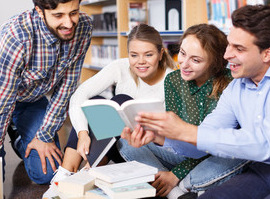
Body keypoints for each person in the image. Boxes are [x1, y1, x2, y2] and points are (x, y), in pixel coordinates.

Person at [134, 5, 270, 199]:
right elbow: (205, 139)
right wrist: (160, 136)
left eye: (238, 48)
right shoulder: (237, 87)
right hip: (263, 169)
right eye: (229, 44)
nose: (227, 54)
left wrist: (186, 130)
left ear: (267, 53)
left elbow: (264, 142)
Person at [118, 24, 248, 199]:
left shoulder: (231, 84)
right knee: (126, 143)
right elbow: (175, 139)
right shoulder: (173, 80)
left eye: (195, 60)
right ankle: (175, 191)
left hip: (212, 158)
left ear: (214, 63)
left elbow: (215, 145)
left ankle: (182, 184)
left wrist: (176, 174)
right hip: (182, 153)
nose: (184, 64)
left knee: (237, 154)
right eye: (183, 53)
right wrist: (153, 136)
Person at [0, 0, 92, 184]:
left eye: (73, 12)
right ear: (39, 10)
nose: (69, 23)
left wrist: (43, 136)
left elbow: (67, 87)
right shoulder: (16, 37)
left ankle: (18, 136)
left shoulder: (83, 28)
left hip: (29, 100)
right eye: (58, 15)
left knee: (47, 173)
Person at [49, 23, 176, 183]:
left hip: (145, 150)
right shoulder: (120, 67)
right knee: (95, 102)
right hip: (117, 145)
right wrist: (82, 133)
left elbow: (173, 134)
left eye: (148, 55)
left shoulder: (173, 80)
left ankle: (89, 172)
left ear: (161, 53)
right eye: (134, 55)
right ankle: (65, 173)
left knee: (122, 100)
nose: (140, 62)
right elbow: (79, 95)